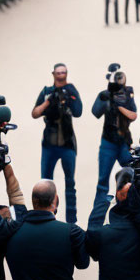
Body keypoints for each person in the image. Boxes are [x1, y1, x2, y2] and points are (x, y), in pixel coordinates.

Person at [32, 63, 83, 224]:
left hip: (67, 144)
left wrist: (68, 98)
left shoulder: (71, 90)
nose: (61, 75)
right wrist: (49, 101)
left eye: (64, 72)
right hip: (49, 144)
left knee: (70, 184)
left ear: (67, 73)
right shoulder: (47, 91)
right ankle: (45, 217)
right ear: (53, 73)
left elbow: (78, 112)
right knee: (45, 183)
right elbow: (35, 113)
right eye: (58, 72)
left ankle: (71, 222)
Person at [92, 66, 138, 211]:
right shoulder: (105, 95)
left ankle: (132, 208)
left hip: (123, 142)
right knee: (102, 182)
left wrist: (118, 106)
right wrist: (104, 99)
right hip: (108, 142)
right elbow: (95, 112)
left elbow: (133, 115)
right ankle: (97, 217)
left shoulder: (127, 94)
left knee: (133, 175)